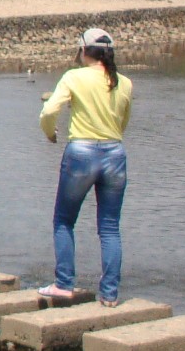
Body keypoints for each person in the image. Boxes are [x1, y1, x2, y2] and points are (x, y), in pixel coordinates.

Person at [38, 28, 134, 306]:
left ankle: (64, 284)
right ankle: (110, 294)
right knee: (109, 227)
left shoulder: (73, 77)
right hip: (115, 153)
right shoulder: (124, 83)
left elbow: (49, 111)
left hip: (81, 153)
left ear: (83, 50)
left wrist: (49, 132)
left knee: (64, 220)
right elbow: (123, 123)